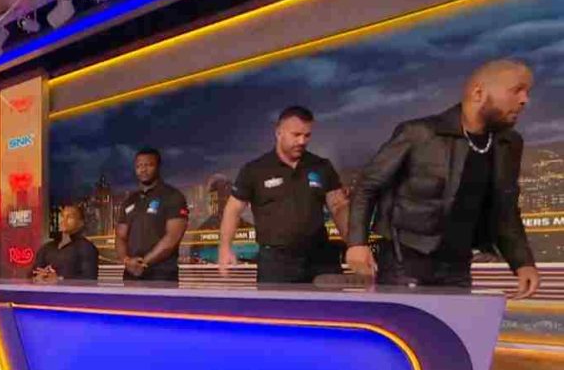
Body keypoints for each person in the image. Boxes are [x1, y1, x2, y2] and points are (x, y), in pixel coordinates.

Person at [346, 59, 539, 299]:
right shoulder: (419, 133)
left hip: (458, 265)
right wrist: (357, 244)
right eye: (516, 90)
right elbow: (367, 186)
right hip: (404, 262)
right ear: (478, 93)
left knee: (454, 323)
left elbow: (505, 210)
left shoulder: (508, 143)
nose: (524, 100)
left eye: (527, 92)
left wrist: (523, 262)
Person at [219, 106, 350, 283]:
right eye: (296, 135)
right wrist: (225, 248)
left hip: (321, 258)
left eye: (307, 135)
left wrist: (355, 245)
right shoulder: (255, 170)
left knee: (331, 301)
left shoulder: (322, 166)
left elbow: (338, 207)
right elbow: (233, 209)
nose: (302, 141)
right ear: (279, 133)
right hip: (276, 262)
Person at [115, 147, 189, 284]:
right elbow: (120, 236)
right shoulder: (129, 201)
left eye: (148, 165)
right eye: (139, 166)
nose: (143, 169)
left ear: (158, 167)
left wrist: (144, 262)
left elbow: (172, 237)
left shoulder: (173, 196)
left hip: (162, 274)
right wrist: (126, 261)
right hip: (131, 274)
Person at [30, 205, 99, 283]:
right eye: (62, 216)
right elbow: (32, 273)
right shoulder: (47, 248)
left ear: (81, 223)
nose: (64, 220)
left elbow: (90, 279)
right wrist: (38, 277)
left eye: (70, 217)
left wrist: (59, 279)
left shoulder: (87, 248)